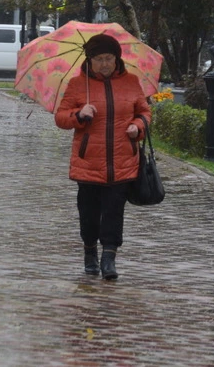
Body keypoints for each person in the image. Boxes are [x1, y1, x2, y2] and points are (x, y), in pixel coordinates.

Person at [54, 33, 151, 280]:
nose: (105, 64)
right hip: (88, 162)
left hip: (123, 161)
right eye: (99, 59)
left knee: (113, 212)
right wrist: (79, 114)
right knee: (88, 213)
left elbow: (144, 113)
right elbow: (61, 118)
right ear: (90, 60)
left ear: (117, 58)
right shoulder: (78, 84)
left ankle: (109, 258)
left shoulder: (131, 82)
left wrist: (138, 126)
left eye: (109, 58)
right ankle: (90, 253)